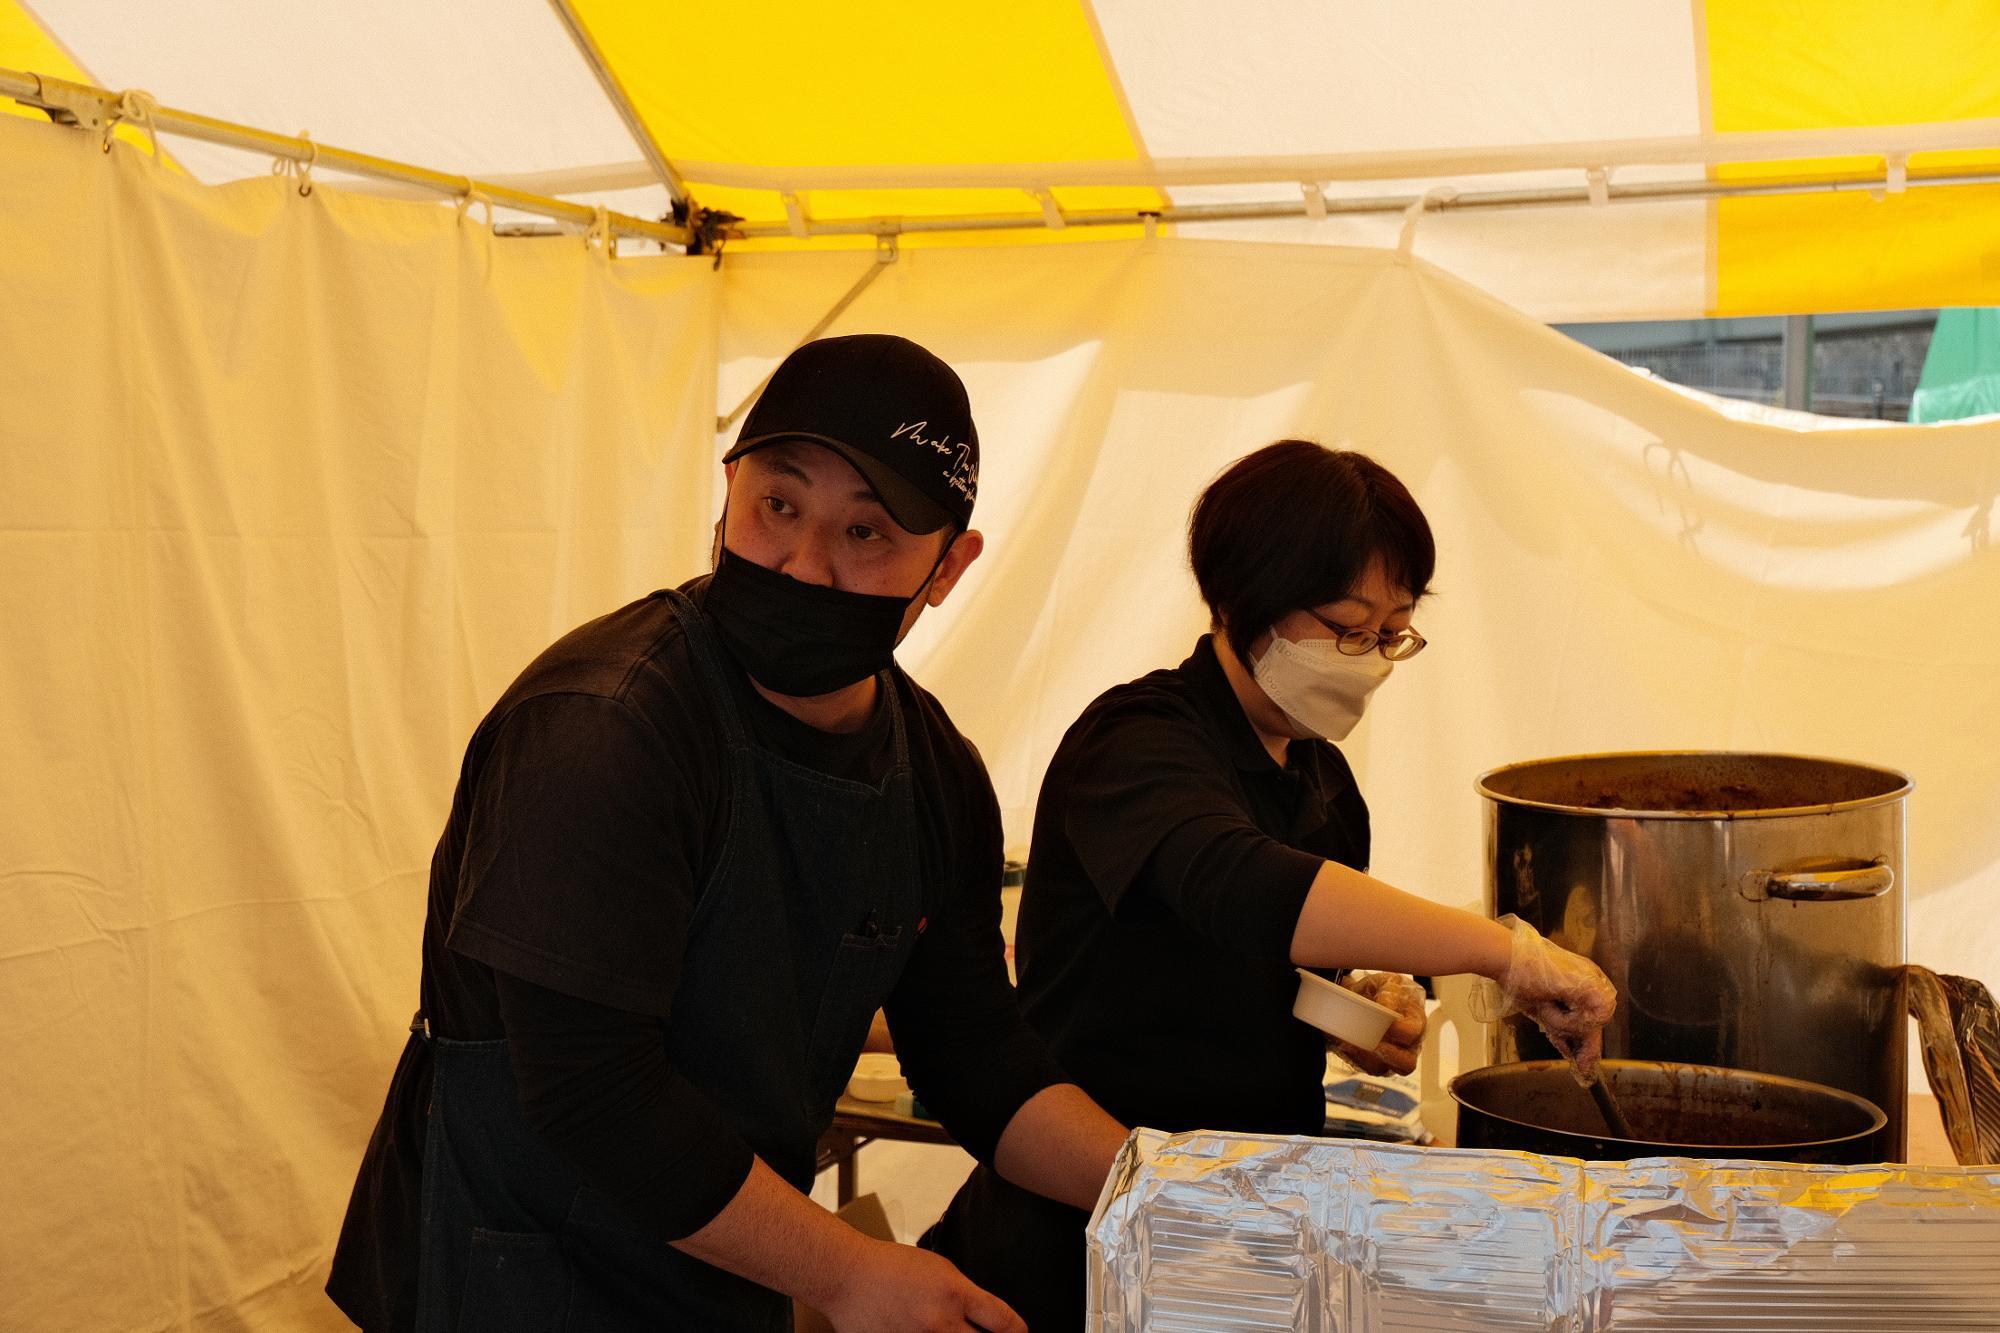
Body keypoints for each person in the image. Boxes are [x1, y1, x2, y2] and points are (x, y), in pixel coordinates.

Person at [326, 334, 1129, 1332]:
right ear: (727, 491)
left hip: (712, 1267)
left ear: (950, 564)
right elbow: (592, 1093)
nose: (803, 564)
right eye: (777, 506)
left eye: (866, 534)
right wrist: (846, 1273)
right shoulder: (603, 729)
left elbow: (971, 1047)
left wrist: (1154, 1188)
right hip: (514, 1272)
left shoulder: (931, 772)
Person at [922, 440, 1617, 1330]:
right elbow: (1239, 887)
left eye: (1391, 632)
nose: (1368, 656)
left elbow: (1251, 964)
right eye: (1345, 624)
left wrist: (1353, 1007)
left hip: (1238, 1233)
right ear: (1238, 599)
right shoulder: (1135, 740)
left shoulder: (1321, 780)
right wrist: (1503, 948)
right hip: (1079, 1229)